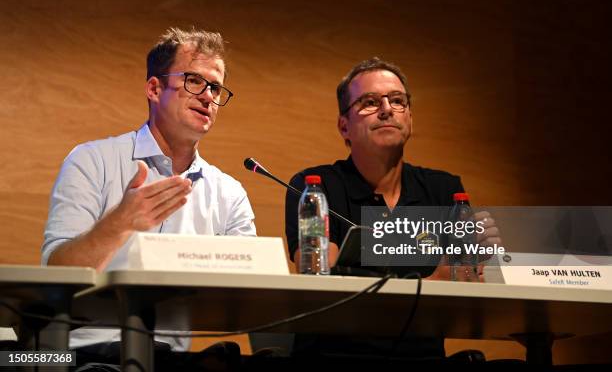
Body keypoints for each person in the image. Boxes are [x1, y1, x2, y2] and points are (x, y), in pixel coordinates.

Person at [41, 27, 256, 365]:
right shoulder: (91, 160)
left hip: (173, 359)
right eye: (194, 81)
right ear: (155, 89)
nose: (207, 97)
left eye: (215, 87)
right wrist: (119, 224)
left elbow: (249, 294)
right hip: (86, 355)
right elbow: (56, 274)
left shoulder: (229, 193)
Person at [284, 57, 501, 361]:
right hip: (334, 358)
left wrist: (483, 256)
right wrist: (431, 283)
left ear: (409, 118)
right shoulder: (315, 189)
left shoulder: (444, 190)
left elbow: (466, 285)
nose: (387, 109)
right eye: (370, 102)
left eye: (397, 101)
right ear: (344, 126)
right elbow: (324, 285)